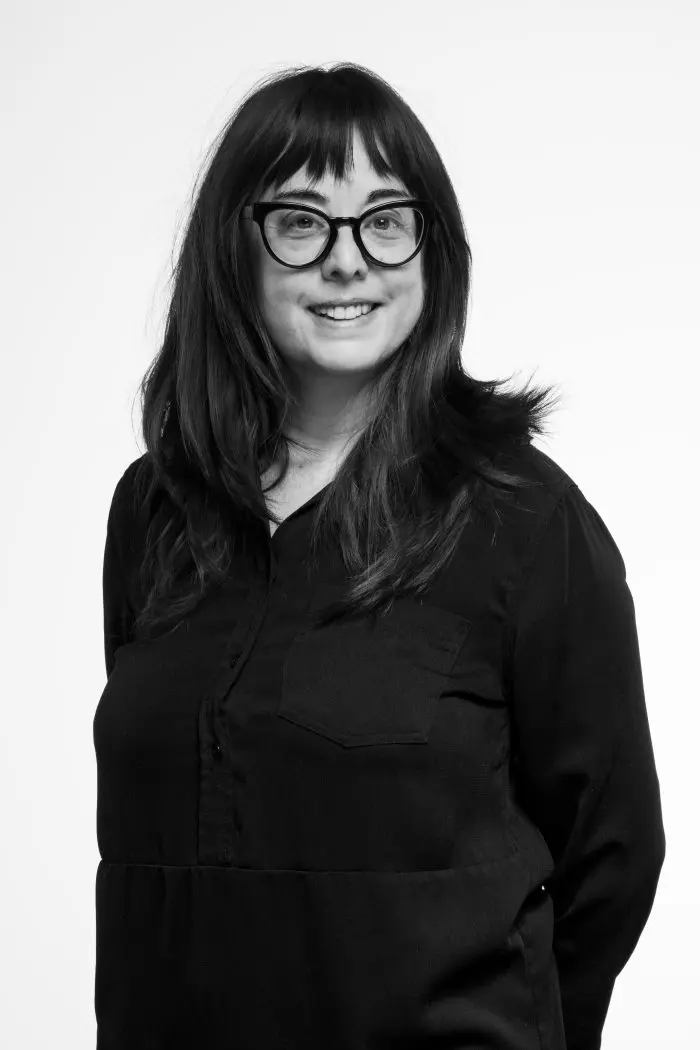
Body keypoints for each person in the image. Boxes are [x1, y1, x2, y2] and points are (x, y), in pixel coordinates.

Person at [94, 62, 666, 1050]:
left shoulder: (523, 519)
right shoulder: (154, 510)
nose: (348, 260)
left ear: (431, 249)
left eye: (386, 221)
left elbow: (611, 854)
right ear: (234, 248)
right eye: (302, 221)